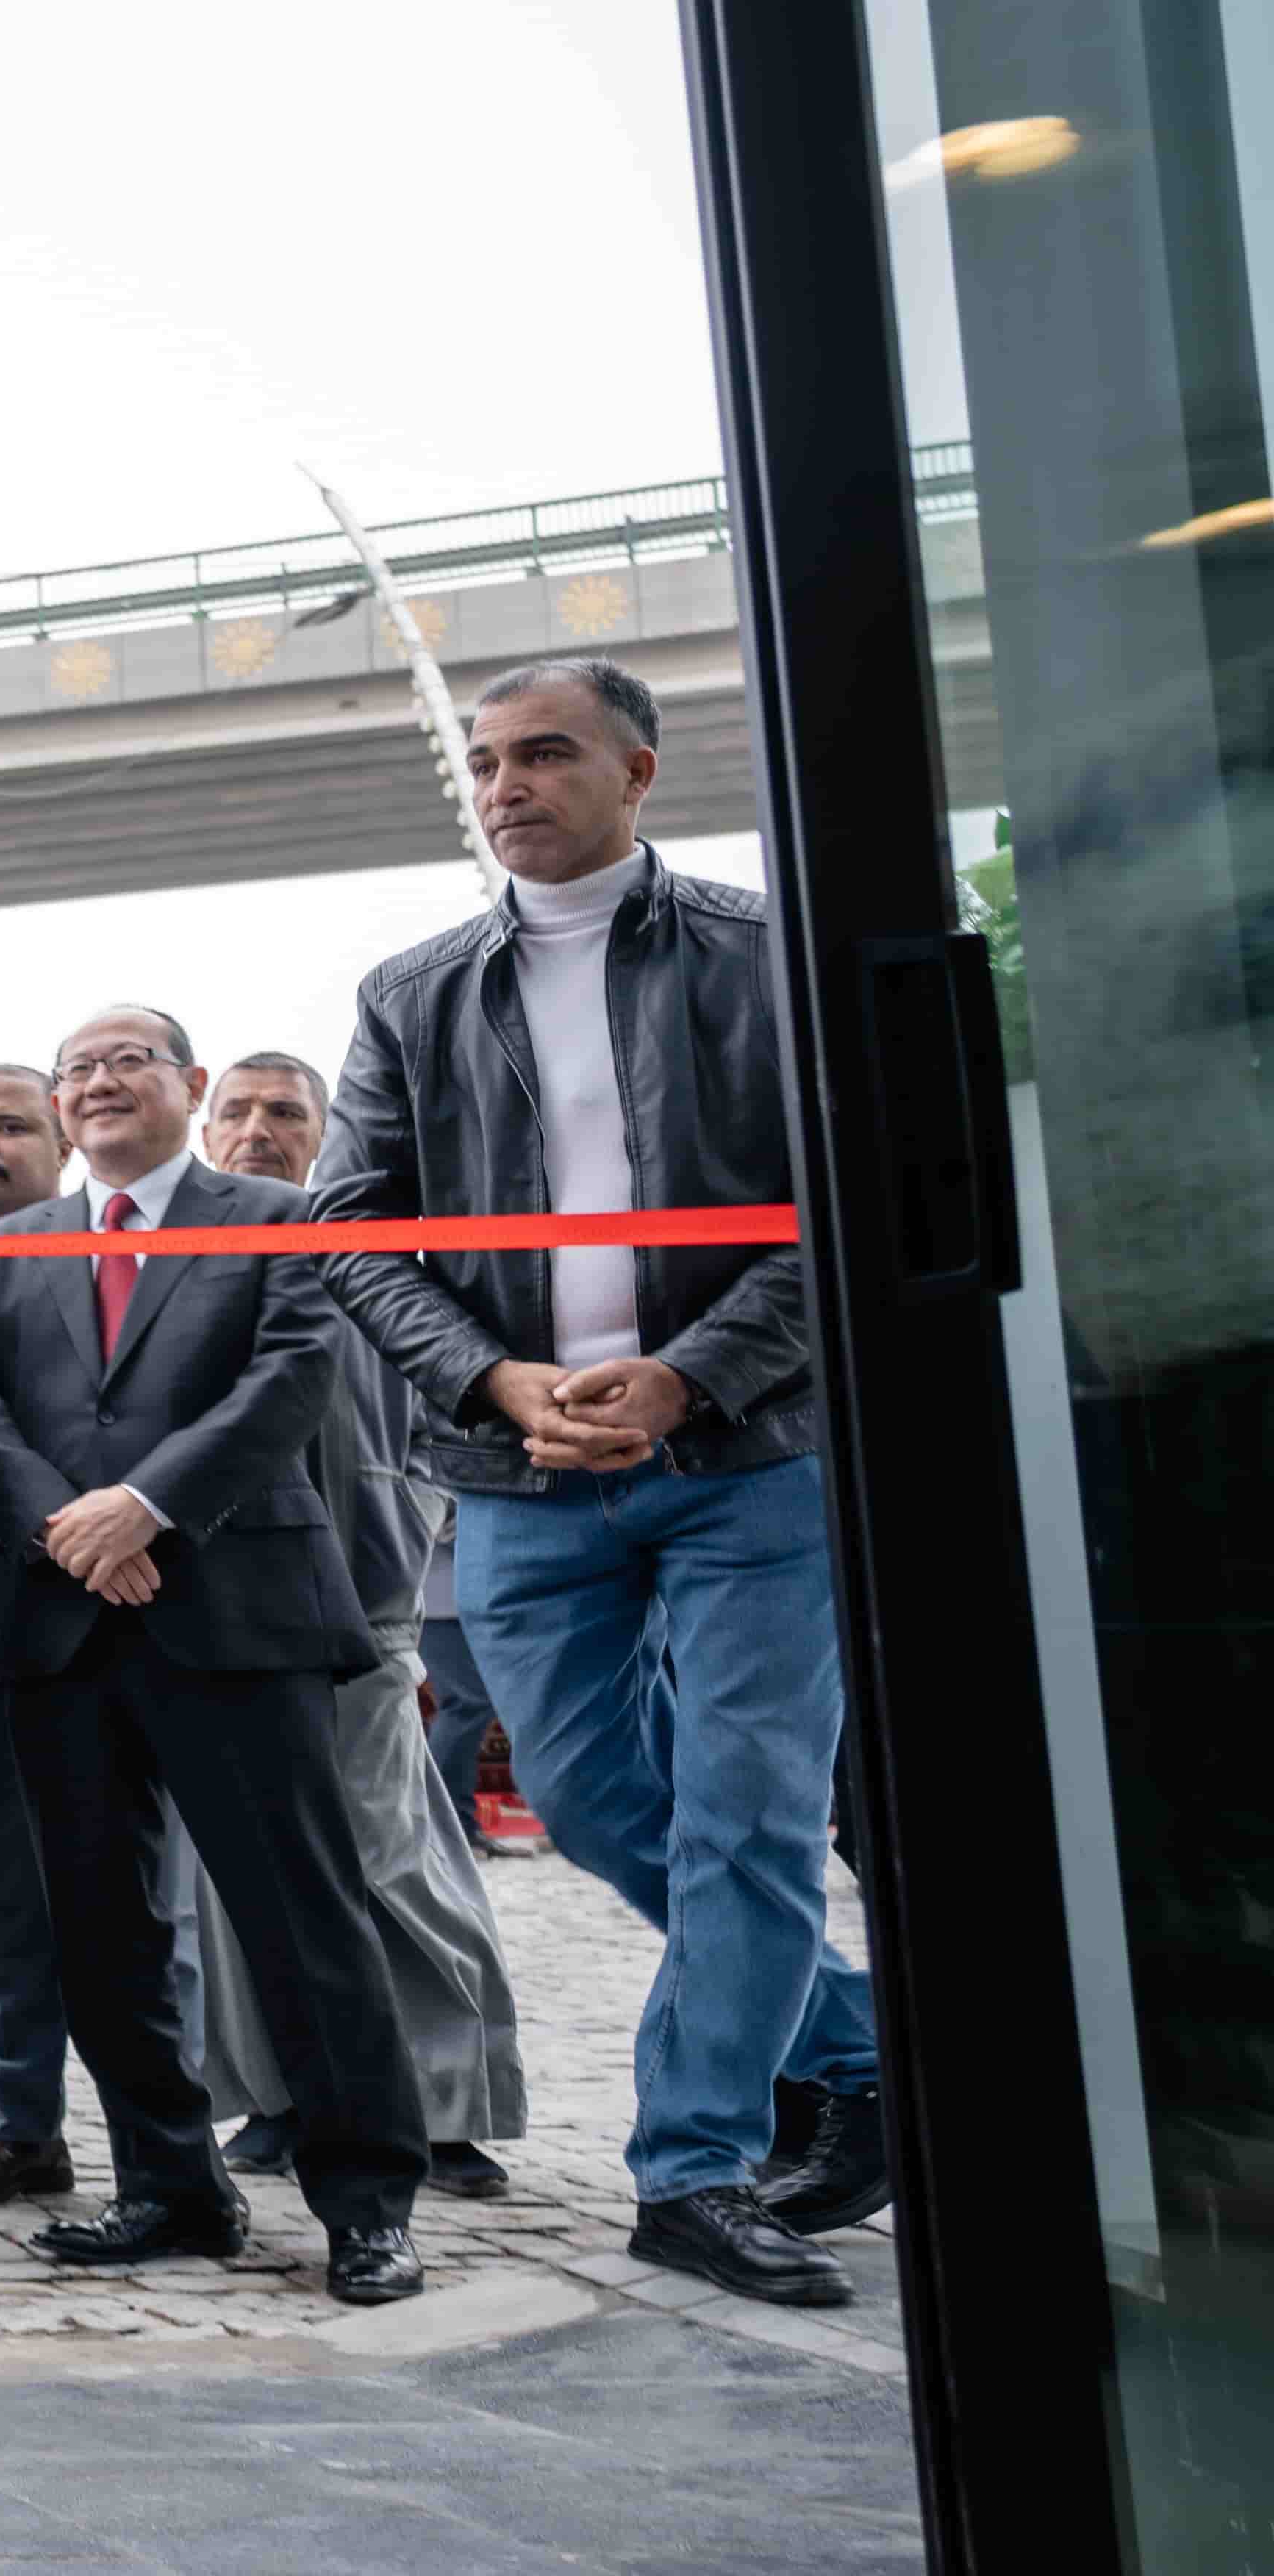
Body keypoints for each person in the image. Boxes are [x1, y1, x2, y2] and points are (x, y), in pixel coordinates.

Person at [316, 658, 879, 2308]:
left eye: (545, 754)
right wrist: (495, 1382)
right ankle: (856, 2052)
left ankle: (694, 2168)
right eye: (486, 761)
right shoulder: (413, 992)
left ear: (638, 770)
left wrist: (689, 1374)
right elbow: (352, 1229)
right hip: (519, 1469)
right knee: (586, 1799)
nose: (507, 786)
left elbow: (836, 1196)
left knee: (749, 1812)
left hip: (749, 1462)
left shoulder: (763, 957)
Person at [0, 1005, 435, 2309]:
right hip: (60, 1621)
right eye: (78, 1069)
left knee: (303, 1917)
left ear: (189, 1082)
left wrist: (147, 1508)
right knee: (101, 1930)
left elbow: (291, 1379)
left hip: (237, 1616)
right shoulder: (7, 1248)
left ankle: (366, 2204)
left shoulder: (276, 1220)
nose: (100, 1083)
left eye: (129, 1062)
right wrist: (70, 1528)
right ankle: (170, 2185)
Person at [193, 1050, 526, 2202]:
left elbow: (452, 1405)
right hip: (216, 1609)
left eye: (285, 1112)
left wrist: (406, 1529)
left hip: (362, 1603)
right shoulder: (184, 1256)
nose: (257, 1129)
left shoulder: (373, 1258)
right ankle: (283, 2097)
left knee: (391, 1855)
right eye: (237, 1110)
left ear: (325, 1134)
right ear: (206, 1128)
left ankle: (445, 2105)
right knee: (235, 1872)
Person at [0, 1068, 195, 2220]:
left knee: (130, 1894)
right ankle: (21, 2130)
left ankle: (166, 2152)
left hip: (97, 1617)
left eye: (11, 1125)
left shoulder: (112, 1264)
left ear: (64, 1140)